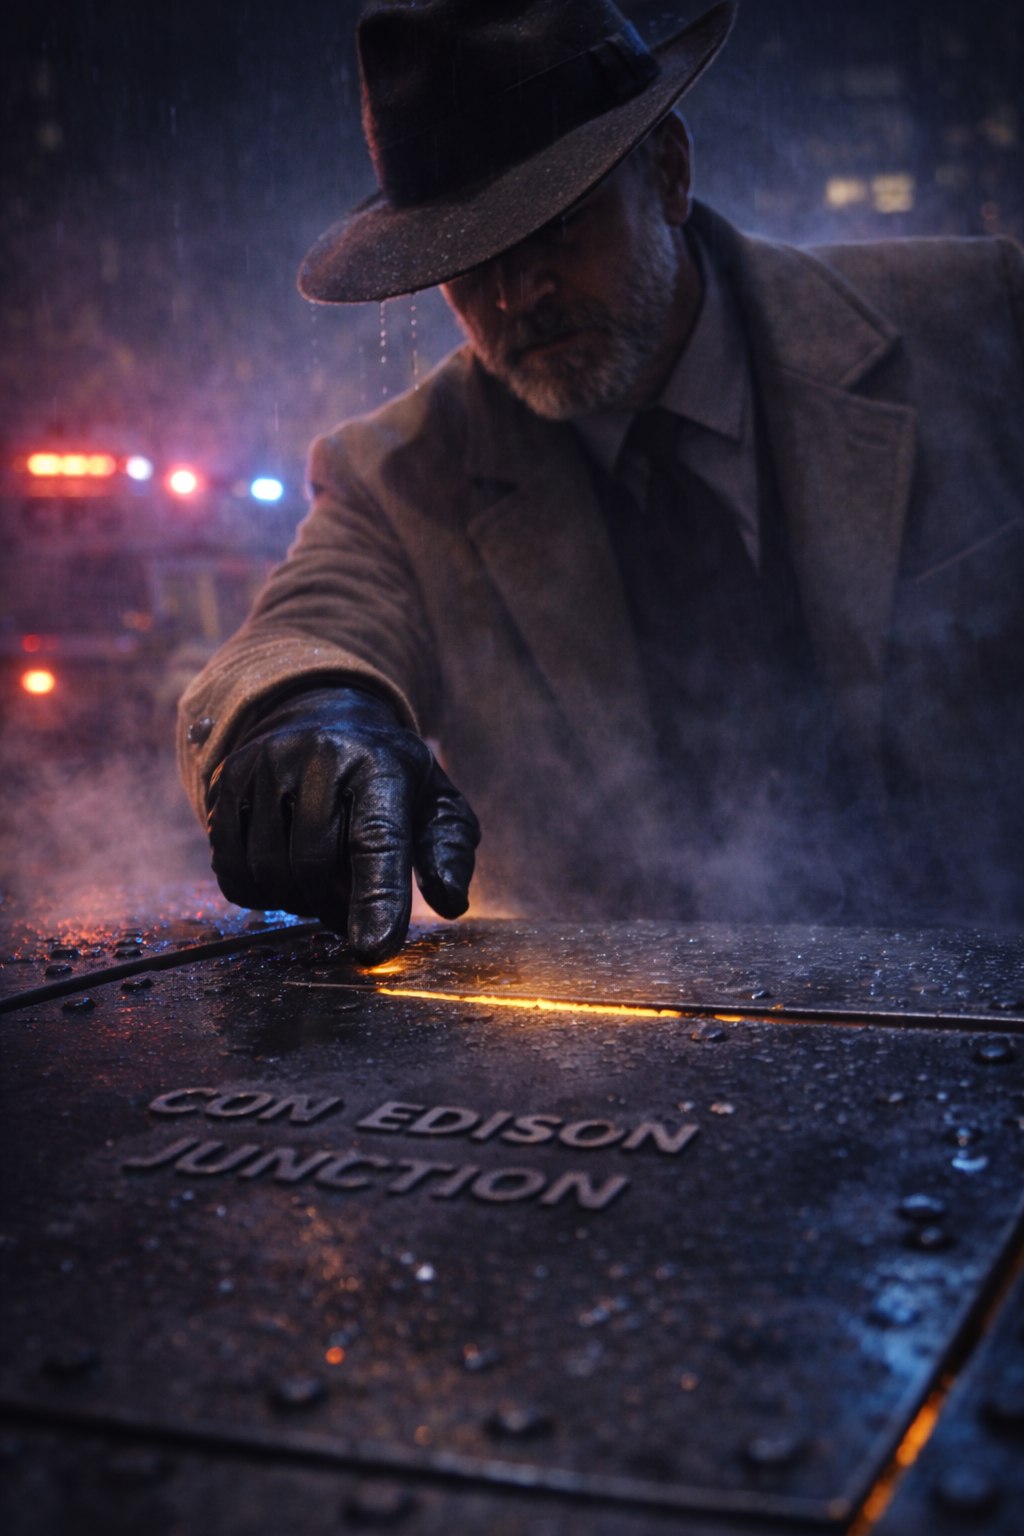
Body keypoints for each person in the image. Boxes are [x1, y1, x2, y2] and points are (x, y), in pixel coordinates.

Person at [179, 0, 1024, 963]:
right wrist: (311, 713)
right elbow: (301, 632)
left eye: (558, 223)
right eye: (469, 259)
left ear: (668, 172)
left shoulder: (980, 324)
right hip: (627, 1042)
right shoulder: (401, 474)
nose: (516, 295)